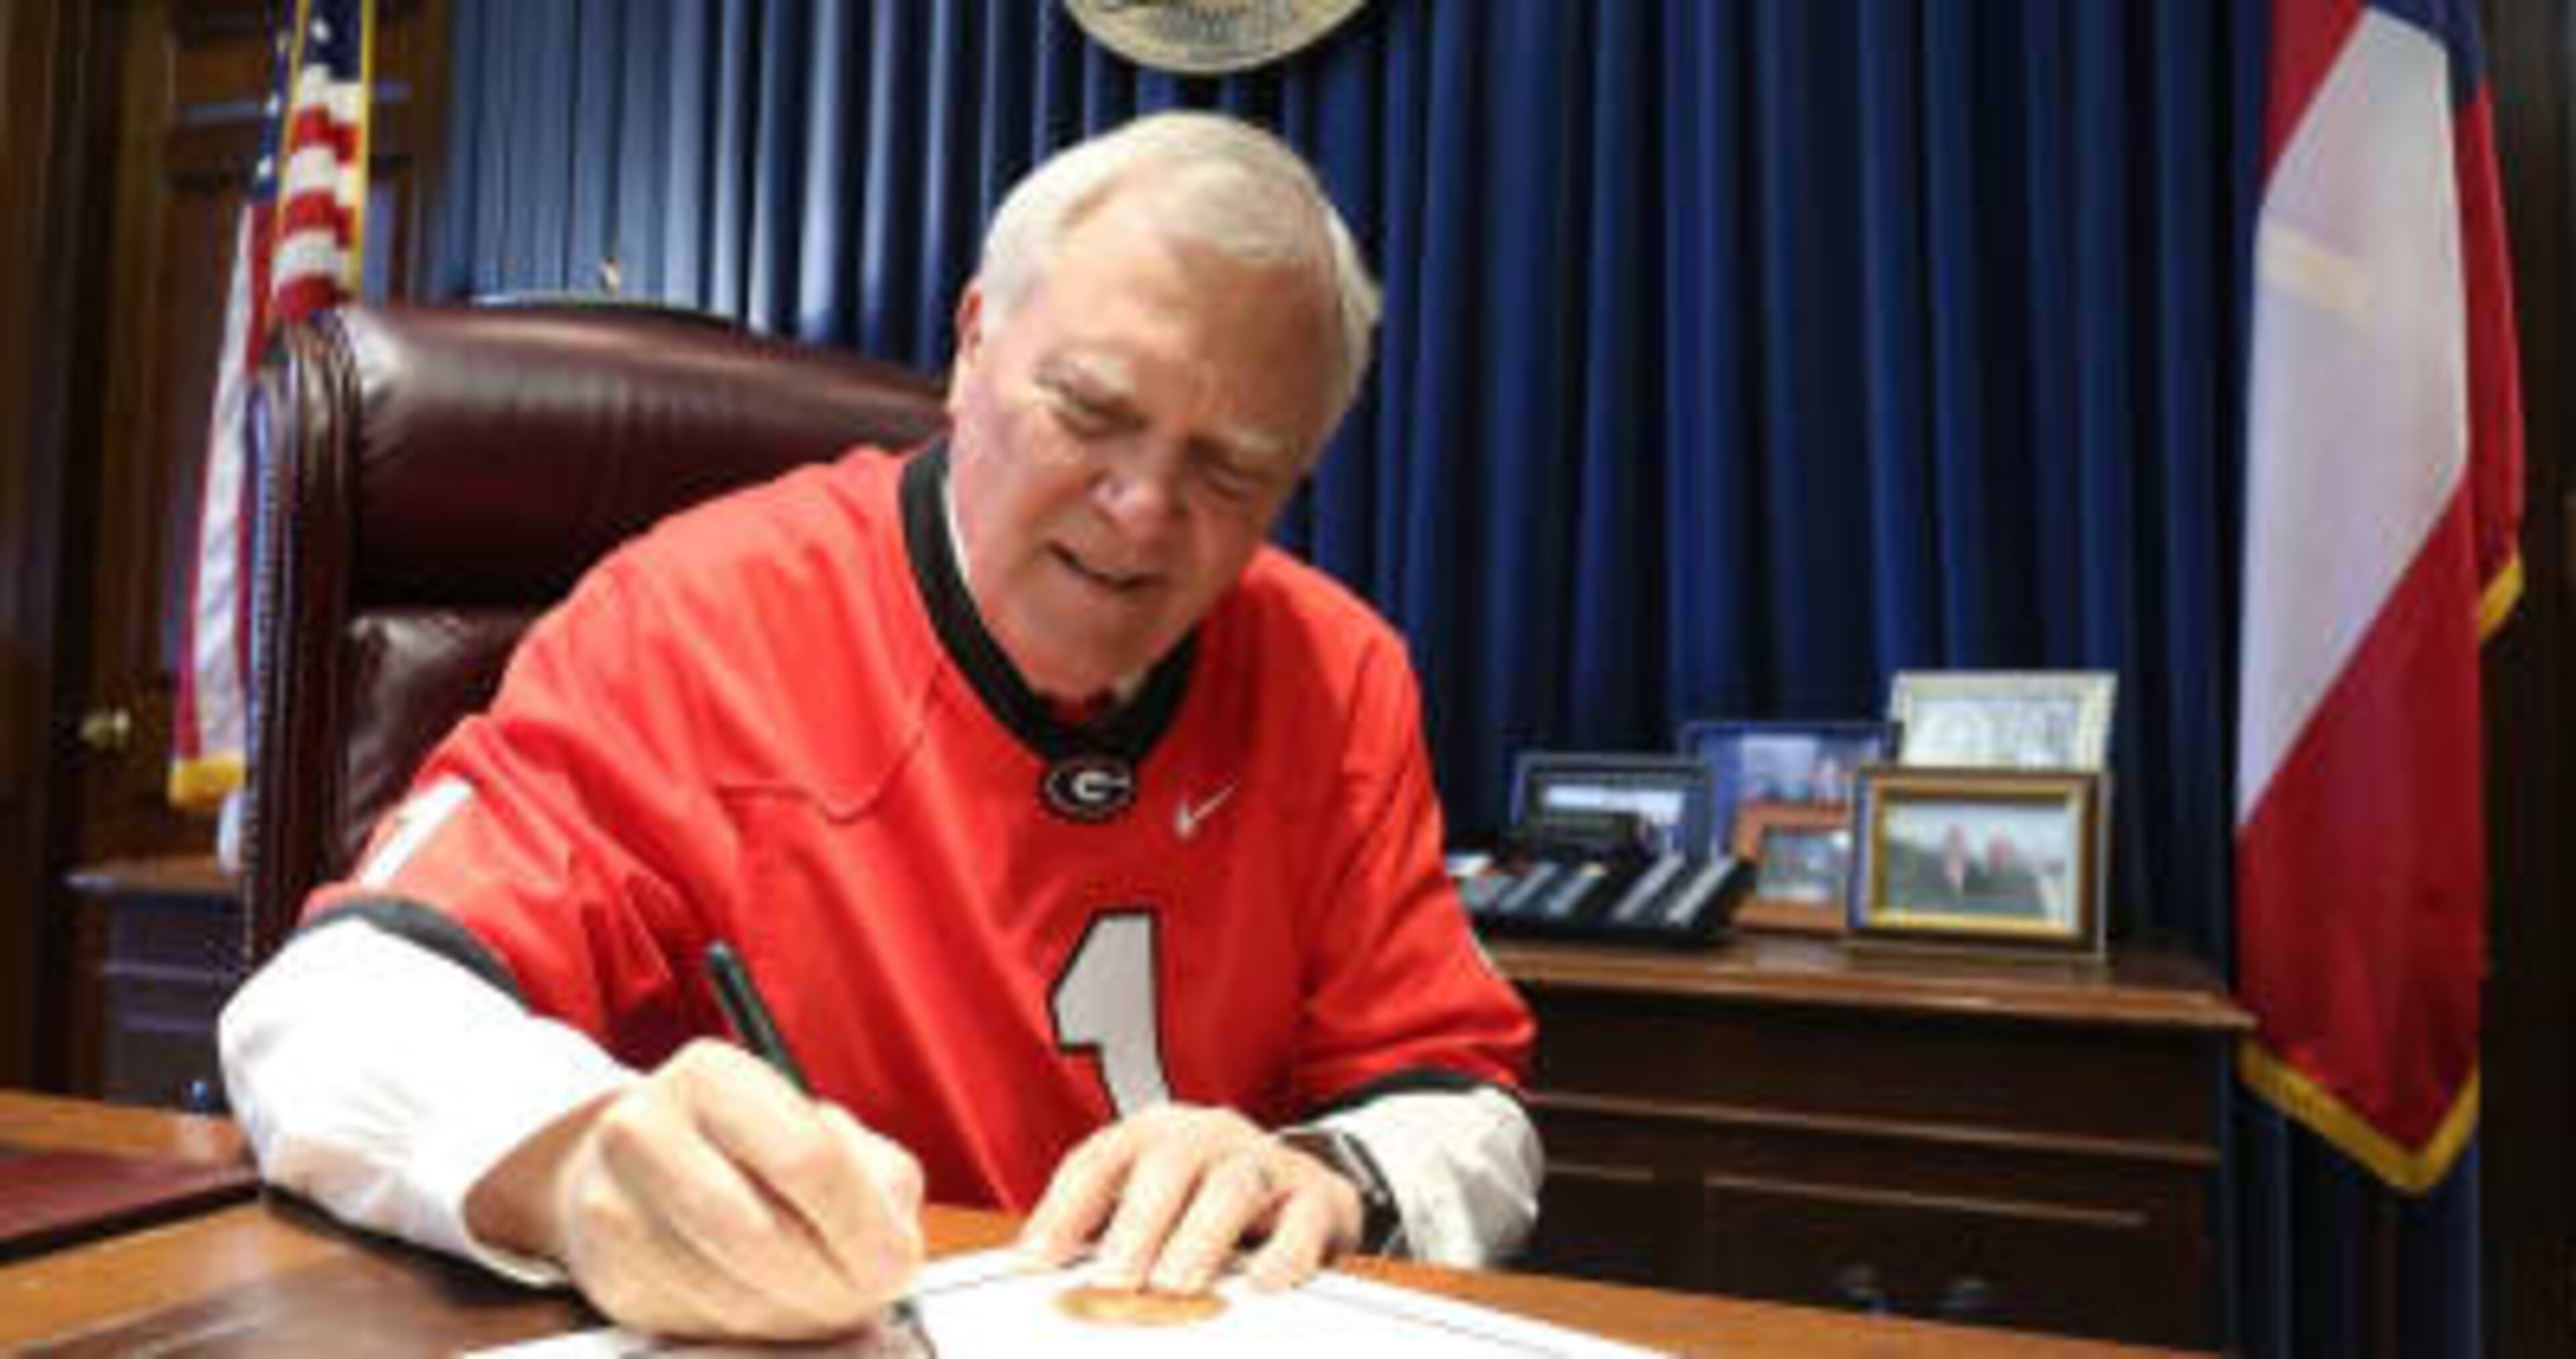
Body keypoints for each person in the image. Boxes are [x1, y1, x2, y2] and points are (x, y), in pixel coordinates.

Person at [218, 111, 1538, 1343]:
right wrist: (571, 1156)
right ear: (972, 343)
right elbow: (323, 1008)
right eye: (1090, 411)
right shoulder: (701, 620)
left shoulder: (1338, 670)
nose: (1141, 508)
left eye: (1229, 466)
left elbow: (1467, 1107)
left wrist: (1318, 1169)